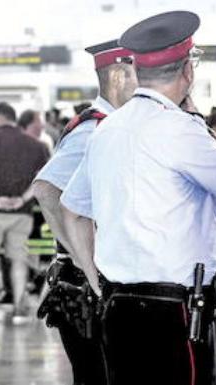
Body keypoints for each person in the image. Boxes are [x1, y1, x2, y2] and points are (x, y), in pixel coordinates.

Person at [61, 11, 216, 385]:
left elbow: (72, 212)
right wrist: (199, 120)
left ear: (136, 71)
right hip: (175, 315)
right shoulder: (183, 130)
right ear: (188, 71)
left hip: (117, 309)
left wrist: (96, 278)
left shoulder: (106, 129)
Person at [32, 38, 136, 385]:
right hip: (86, 291)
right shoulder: (95, 127)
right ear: (119, 77)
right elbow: (46, 189)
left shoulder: (115, 125)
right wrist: (87, 266)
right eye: (141, 73)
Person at [0, 102, 49, 324]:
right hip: (21, 212)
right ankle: (17, 308)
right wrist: (21, 199)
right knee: (18, 261)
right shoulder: (36, 145)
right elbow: (42, 179)